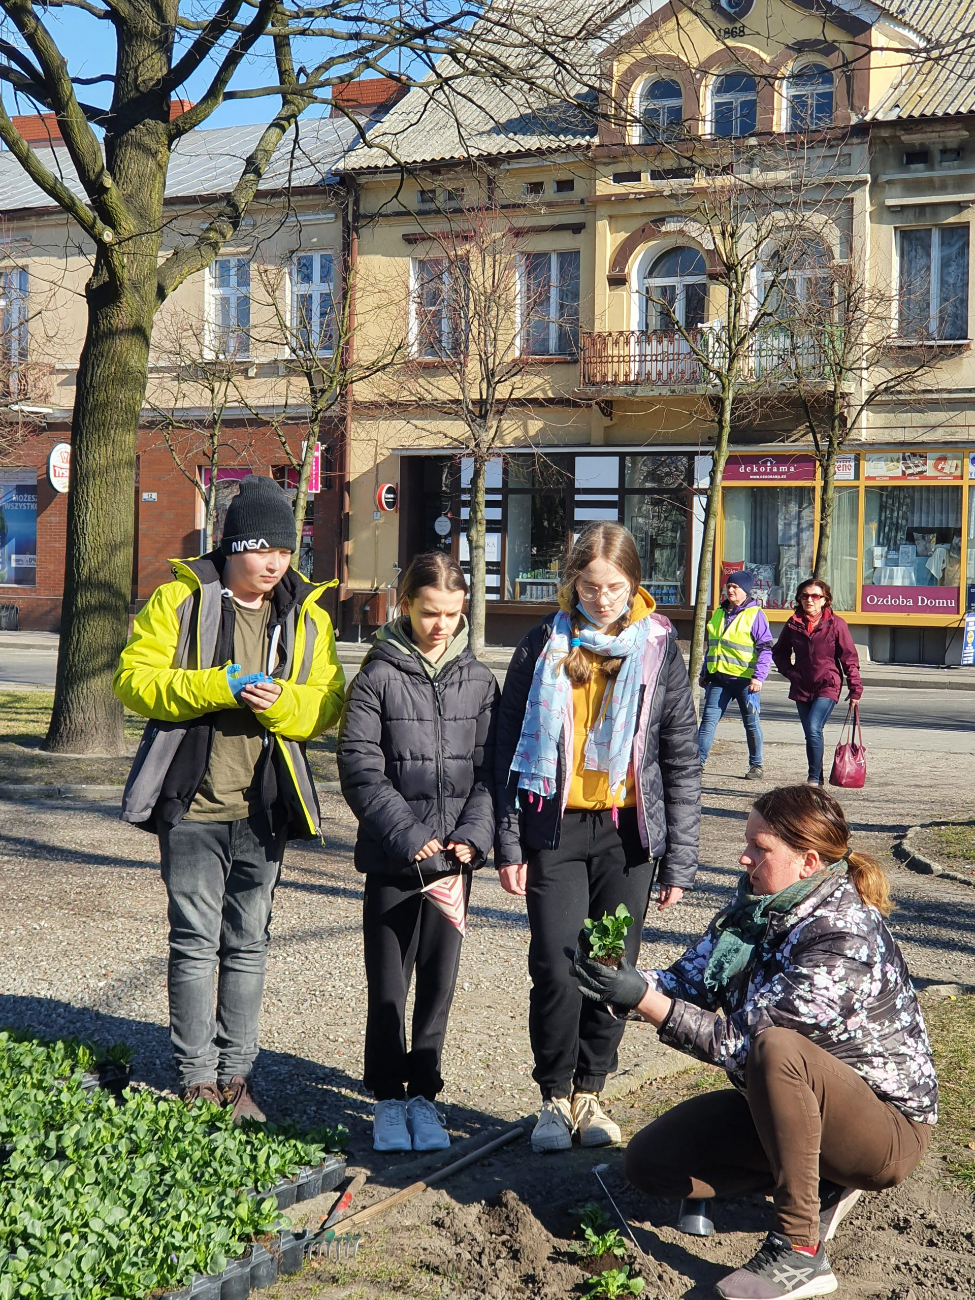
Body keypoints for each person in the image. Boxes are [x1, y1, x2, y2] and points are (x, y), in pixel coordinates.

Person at [571, 784, 938, 1300]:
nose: (743, 857)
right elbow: (685, 982)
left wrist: (648, 1004)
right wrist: (618, 980)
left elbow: (748, 1044)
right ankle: (821, 1184)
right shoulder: (754, 911)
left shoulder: (842, 933)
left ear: (809, 861)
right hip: (789, 1103)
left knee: (777, 1048)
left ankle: (799, 1249)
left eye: (760, 848)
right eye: (748, 842)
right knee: (650, 1164)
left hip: (884, 1130)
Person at [114, 475, 345, 1120]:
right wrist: (217, 686)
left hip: (264, 806)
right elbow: (134, 682)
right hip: (192, 807)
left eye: (284, 551)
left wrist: (286, 705)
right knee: (194, 941)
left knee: (248, 942)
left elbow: (328, 702)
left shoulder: (307, 613)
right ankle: (194, 1078)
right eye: (260, 550)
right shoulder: (180, 599)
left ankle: (237, 1076)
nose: (274, 563)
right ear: (230, 546)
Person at [494, 522, 700, 1155]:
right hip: (554, 830)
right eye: (590, 585)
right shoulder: (540, 645)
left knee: (610, 968)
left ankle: (592, 1093)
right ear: (573, 582)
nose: (602, 599)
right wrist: (508, 843)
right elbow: (505, 747)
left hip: (628, 836)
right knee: (556, 965)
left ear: (635, 583)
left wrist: (679, 860)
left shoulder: (662, 650)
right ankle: (553, 1098)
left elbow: (680, 756)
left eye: (614, 587)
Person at [337, 551, 498, 1154]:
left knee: (438, 983)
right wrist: (408, 837)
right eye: (431, 612)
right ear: (405, 605)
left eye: (453, 614)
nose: (442, 625)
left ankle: (424, 1095)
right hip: (392, 859)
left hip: (454, 864)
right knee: (387, 984)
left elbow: (492, 770)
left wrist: (474, 837)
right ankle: (385, 1097)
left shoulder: (480, 679)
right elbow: (359, 768)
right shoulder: (376, 676)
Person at [772, 578, 863, 787]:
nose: (809, 600)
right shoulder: (794, 623)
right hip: (801, 685)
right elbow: (779, 652)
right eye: (805, 596)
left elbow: (849, 657)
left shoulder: (836, 624)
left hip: (827, 684)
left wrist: (855, 688)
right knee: (810, 734)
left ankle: (813, 780)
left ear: (825, 600)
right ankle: (818, 777)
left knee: (813, 727)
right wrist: (790, 673)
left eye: (815, 596)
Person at [698, 572, 774, 781]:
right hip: (719, 679)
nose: (730, 590)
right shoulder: (719, 613)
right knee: (707, 723)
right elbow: (713, 646)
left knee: (751, 724)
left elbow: (766, 648)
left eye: (735, 587)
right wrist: (705, 672)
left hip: (746, 683)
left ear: (745, 590)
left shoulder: (755, 614)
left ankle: (756, 765)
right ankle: (697, 763)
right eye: (728, 586)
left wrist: (758, 678)